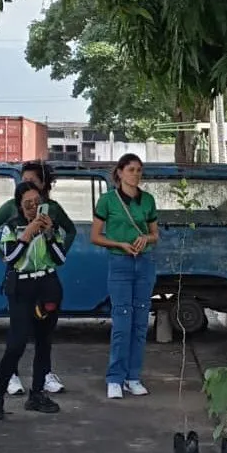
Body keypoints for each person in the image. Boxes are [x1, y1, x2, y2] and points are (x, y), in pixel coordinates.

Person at [0, 160, 74, 395]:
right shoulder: (11, 223)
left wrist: (50, 234)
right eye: (28, 203)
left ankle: (38, 390)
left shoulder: (51, 215)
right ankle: (3, 389)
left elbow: (61, 254)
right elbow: (8, 253)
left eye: (36, 200)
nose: (33, 206)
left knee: (44, 340)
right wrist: (25, 236)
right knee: (18, 339)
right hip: (21, 283)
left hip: (47, 283)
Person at [91, 153, 160, 399]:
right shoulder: (108, 200)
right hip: (120, 262)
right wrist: (119, 244)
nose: (136, 174)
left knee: (141, 322)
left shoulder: (147, 200)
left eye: (139, 170)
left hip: (144, 262)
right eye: (131, 170)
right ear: (120, 172)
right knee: (122, 321)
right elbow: (95, 236)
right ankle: (115, 378)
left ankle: (133, 376)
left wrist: (145, 238)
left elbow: (155, 234)